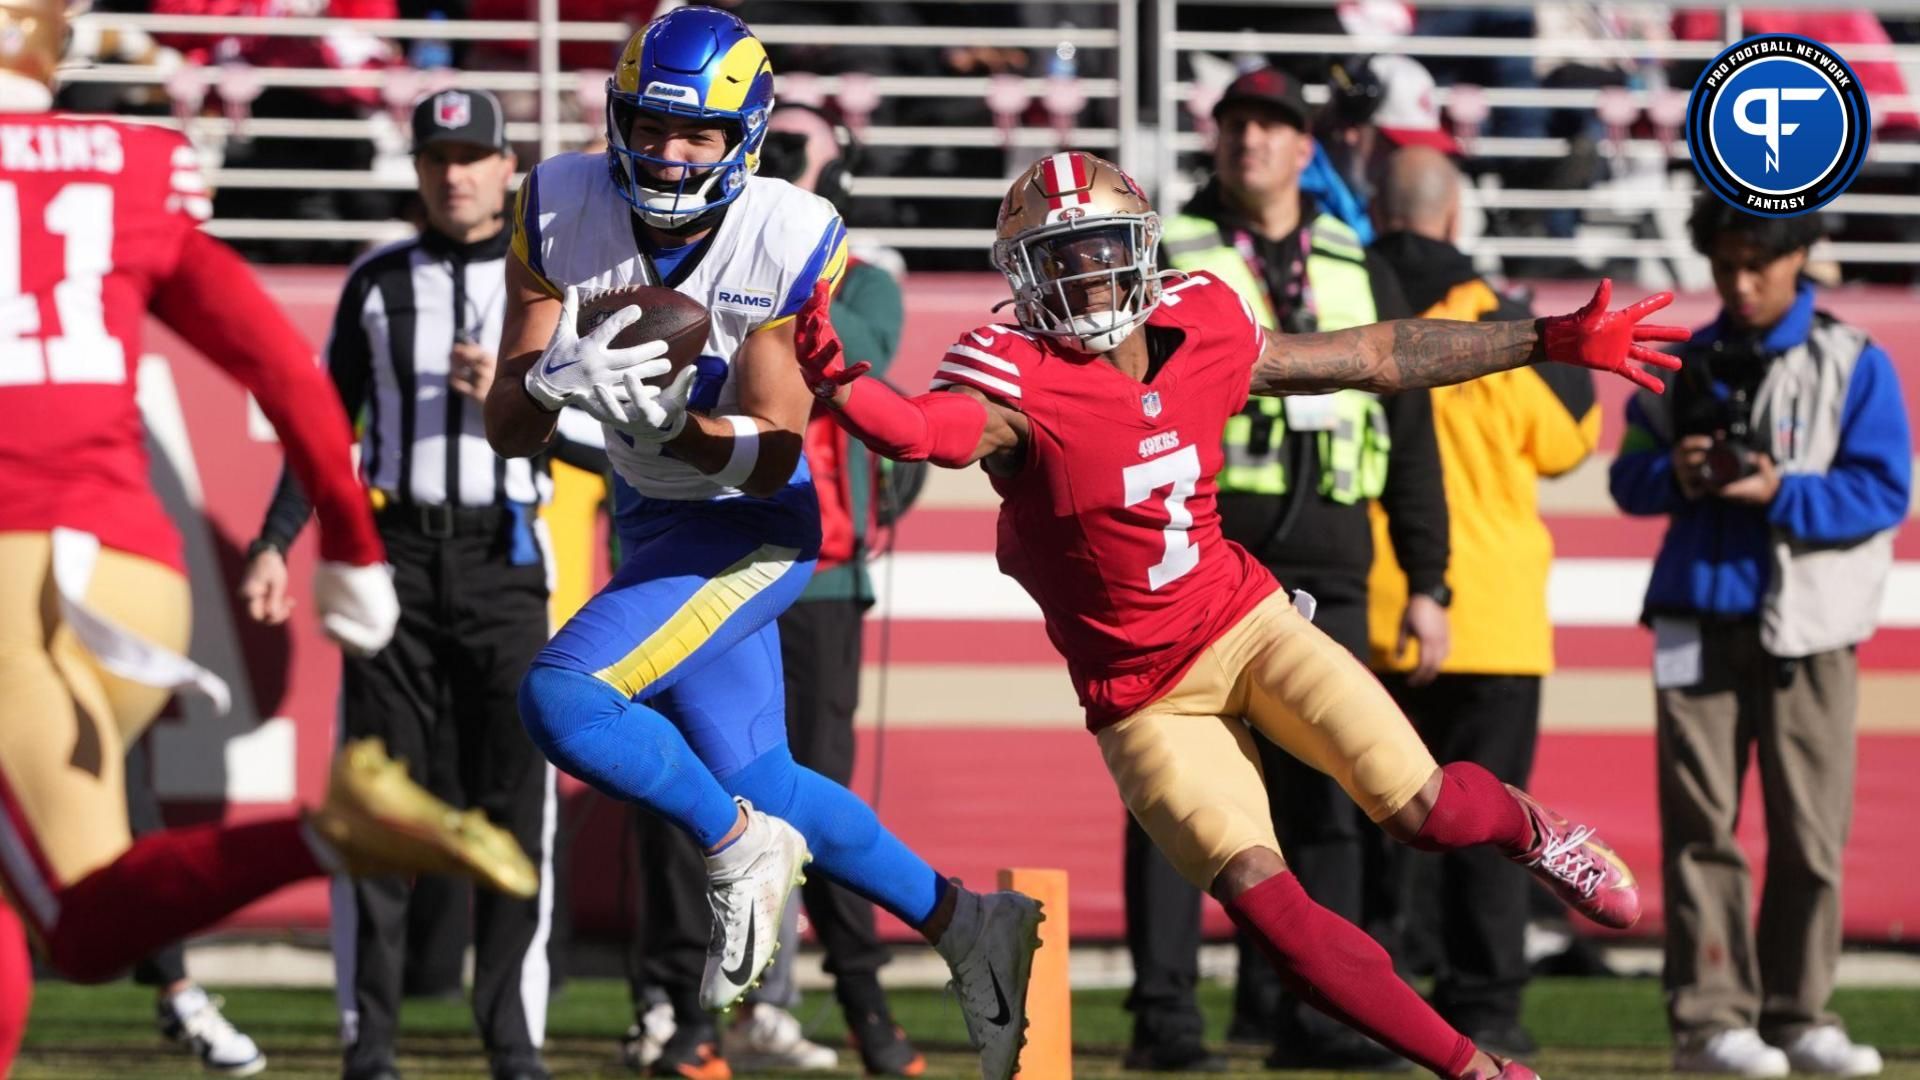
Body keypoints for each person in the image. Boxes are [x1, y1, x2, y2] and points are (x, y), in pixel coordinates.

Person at [800, 149, 1685, 1080]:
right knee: (1275, 915)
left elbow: (1370, 357)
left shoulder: (1205, 316)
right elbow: (926, 432)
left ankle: (1533, 832)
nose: (1084, 275)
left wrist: (1542, 338)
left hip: (1247, 623)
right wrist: (843, 384)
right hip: (1142, 697)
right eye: (1058, 257)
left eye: (1099, 247)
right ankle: (1474, 1069)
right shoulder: (1013, 373)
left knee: (1423, 811)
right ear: (1025, 275)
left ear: (1139, 248)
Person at [481, 9, 1039, 1078]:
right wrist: (547, 382)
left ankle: (735, 847)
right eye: (651, 126)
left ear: (747, 133)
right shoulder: (557, 203)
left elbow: (777, 454)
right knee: (769, 776)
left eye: (698, 135)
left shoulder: (784, 232)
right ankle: (969, 923)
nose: (669, 153)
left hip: (753, 528)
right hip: (652, 517)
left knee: (563, 698)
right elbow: (507, 422)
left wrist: (667, 425)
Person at [0, 2, 537, 1074]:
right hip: (132, 573)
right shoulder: (127, 163)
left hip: (21, 576)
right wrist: (348, 544)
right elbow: (287, 373)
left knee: (79, 918)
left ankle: (323, 834)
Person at [240, 88, 562, 1080]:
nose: (454, 174)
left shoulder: (551, 284)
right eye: (437, 158)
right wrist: (272, 542)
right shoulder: (377, 284)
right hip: (398, 564)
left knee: (515, 807)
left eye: (472, 156)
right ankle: (367, 1044)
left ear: (508, 168)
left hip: (506, 559)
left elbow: (608, 441)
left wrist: (512, 396)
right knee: (374, 804)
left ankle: (513, 1042)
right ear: (417, 171)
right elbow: (320, 431)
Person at [1146, 64, 1449, 1073]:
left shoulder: (1350, 253)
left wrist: (1432, 581)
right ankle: (1166, 1024)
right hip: (1202, 551)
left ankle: (1317, 1021)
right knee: (1184, 795)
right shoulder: (1167, 252)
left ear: (1306, 149)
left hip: (1332, 551)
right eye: (1237, 124)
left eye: (1273, 125)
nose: (1252, 142)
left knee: (1332, 794)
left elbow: (1408, 428)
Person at [619, 98, 925, 1078]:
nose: (784, 164)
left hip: (819, 571)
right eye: (774, 145)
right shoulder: (679, 261)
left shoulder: (859, 276)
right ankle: (692, 1013)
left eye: (803, 151)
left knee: (814, 795)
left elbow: (829, 357)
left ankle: (868, 1006)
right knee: (693, 798)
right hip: (705, 559)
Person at [1610, 200, 1909, 1079]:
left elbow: (1883, 492)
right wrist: (1681, 473)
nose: (1740, 284)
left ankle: (1797, 1014)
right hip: (1695, 615)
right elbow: (1629, 478)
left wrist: (1780, 489)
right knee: (1700, 829)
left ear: (1802, 257)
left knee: (1811, 832)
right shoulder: (1688, 357)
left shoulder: (1855, 361)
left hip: (1812, 627)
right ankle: (1709, 1024)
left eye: (1758, 265)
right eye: (1726, 265)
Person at [1367, 145, 1602, 1059]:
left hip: (1382, 610)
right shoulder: (1503, 333)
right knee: (1501, 835)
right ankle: (1489, 1006)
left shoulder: (1358, 312)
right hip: (1496, 619)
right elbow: (1569, 442)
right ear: (1457, 219)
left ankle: (1376, 1009)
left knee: (1376, 829)